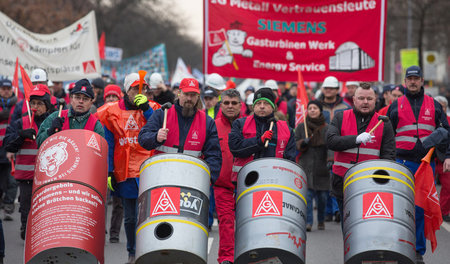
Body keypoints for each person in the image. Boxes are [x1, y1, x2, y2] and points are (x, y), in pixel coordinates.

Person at [387, 66, 450, 263]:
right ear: (405, 81)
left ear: (422, 80)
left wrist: (442, 151)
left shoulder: (434, 104)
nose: (413, 82)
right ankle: (398, 246)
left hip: (425, 165)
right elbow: (387, 136)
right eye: (409, 79)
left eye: (416, 78)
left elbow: (446, 131)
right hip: (400, 163)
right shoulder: (396, 105)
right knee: (399, 207)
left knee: (420, 209)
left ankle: (417, 251)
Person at [96, 73, 156, 263]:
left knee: (149, 216)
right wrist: (109, 171)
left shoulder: (152, 108)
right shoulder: (110, 111)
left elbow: (160, 127)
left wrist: (145, 108)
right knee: (130, 218)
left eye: (143, 89)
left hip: (149, 170)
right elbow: (109, 143)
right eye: (135, 89)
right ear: (125, 90)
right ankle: (132, 252)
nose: (140, 93)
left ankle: (148, 251)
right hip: (125, 172)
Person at [327, 82, 395, 224]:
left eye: (369, 99)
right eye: (361, 98)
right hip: (343, 182)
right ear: (354, 99)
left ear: (375, 99)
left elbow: (389, 155)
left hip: (371, 183)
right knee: (348, 225)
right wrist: (356, 139)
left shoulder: (384, 123)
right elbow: (331, 141)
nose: (365, 102)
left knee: (368, 224)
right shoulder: (340, 117)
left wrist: (382, 182)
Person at [137, 76, 222, 190]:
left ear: (198, 96)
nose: (189, 98)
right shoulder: (163, 114)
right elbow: (143, 138)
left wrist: (208, 179)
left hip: (192, 181)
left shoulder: (207, 122)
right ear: (178, 93)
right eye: (186, 94)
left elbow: (214, 155)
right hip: (161, 178)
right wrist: (156, 137)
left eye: (193, 95)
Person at [4, 84, 53, 239]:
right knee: (26, 207)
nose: (35, 107)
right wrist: (21, 136)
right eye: (33, 103)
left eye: (40, 103)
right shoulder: (21, 122)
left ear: (47, 105)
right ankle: (26, 228)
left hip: (47, 176)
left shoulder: (54, 122)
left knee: (45, 208)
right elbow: (7, 144)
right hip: (26, 176)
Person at [229, 87, 296, 183]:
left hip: (275, 183)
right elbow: (235, 148)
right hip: (245, 182)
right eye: (258, 103)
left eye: (266, 103)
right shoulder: (240, 124)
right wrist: (259, 141)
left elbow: (291, 162)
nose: (262, 106)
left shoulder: (287, 130)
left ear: (273, 106)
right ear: (253, 106)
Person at [213, 89, 242, 264]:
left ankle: (248, 255)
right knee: (226, 222)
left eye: (234, 103)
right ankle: (226, 258)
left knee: (248, 223)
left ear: (241, 105)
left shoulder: (249, 125)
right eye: (226, 103)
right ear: (220, 104)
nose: (230, 106)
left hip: (247, 185)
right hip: (222, 184)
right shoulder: (213, 126)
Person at [319, 76, 351, 222]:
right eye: (326, 88)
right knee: (323, 179)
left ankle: (337, 210)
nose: (328, 90)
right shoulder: (316, 106)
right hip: (319, 147)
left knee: (336, 177)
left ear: (337, 89)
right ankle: (327, 211)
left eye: (331, 88)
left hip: (339, 145)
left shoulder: (345, 107)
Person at [36, 78, 105, 147]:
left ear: (91, 102)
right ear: (71, 98)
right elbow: (39, 142)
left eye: (85, 99)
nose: (81, 101)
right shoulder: (56, 116)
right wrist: (50, 131)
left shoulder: (95, 125)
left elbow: (100, 152)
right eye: (77, 97)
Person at [296, 100, 330, 232]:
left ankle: (321, 220)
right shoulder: (301, 127)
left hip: (322, 166)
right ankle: (308, 222)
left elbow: (331, 145)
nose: (312, 110)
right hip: (306, 166)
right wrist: (301, 143)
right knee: (308, 197)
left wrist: (330, 159)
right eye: (310, 108)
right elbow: (294, 143)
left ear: (320, 110)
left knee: (322, 198)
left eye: (315, 108)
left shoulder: (326, 128)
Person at [0, 79, 19, 221]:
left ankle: (8, 207)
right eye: (3, 88)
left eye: (8, 88)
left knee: (12, 180)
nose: (6, 90)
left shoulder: (17, 106)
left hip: (12, 148)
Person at [434, 95, 450, 222]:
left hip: (445, 159)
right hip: (430, 158)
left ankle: (443, 212)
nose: (441, 109)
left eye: (443, 107)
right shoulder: (429, 120)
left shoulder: (448, 120)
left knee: (448, 187)